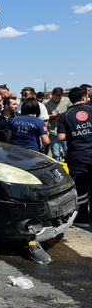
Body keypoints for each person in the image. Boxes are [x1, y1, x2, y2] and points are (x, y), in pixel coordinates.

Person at [57, 86, 92, 227]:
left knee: (81, 187)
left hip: (77, 156)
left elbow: (61, 137)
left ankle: (82, 218)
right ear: (84, 98)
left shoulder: (65, 115)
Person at [44, 87, 71, 161]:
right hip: (53, 131)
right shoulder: (46, 103)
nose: (56, 99)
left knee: (67, 152)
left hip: (65, 131)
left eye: (59, 97)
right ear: (52, 95)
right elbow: (43, 116)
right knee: (56, 154)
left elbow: (71, 112)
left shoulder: (67, 100)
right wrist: (53, 116)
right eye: (55, 96)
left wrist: (63, 115)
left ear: (61, 96)